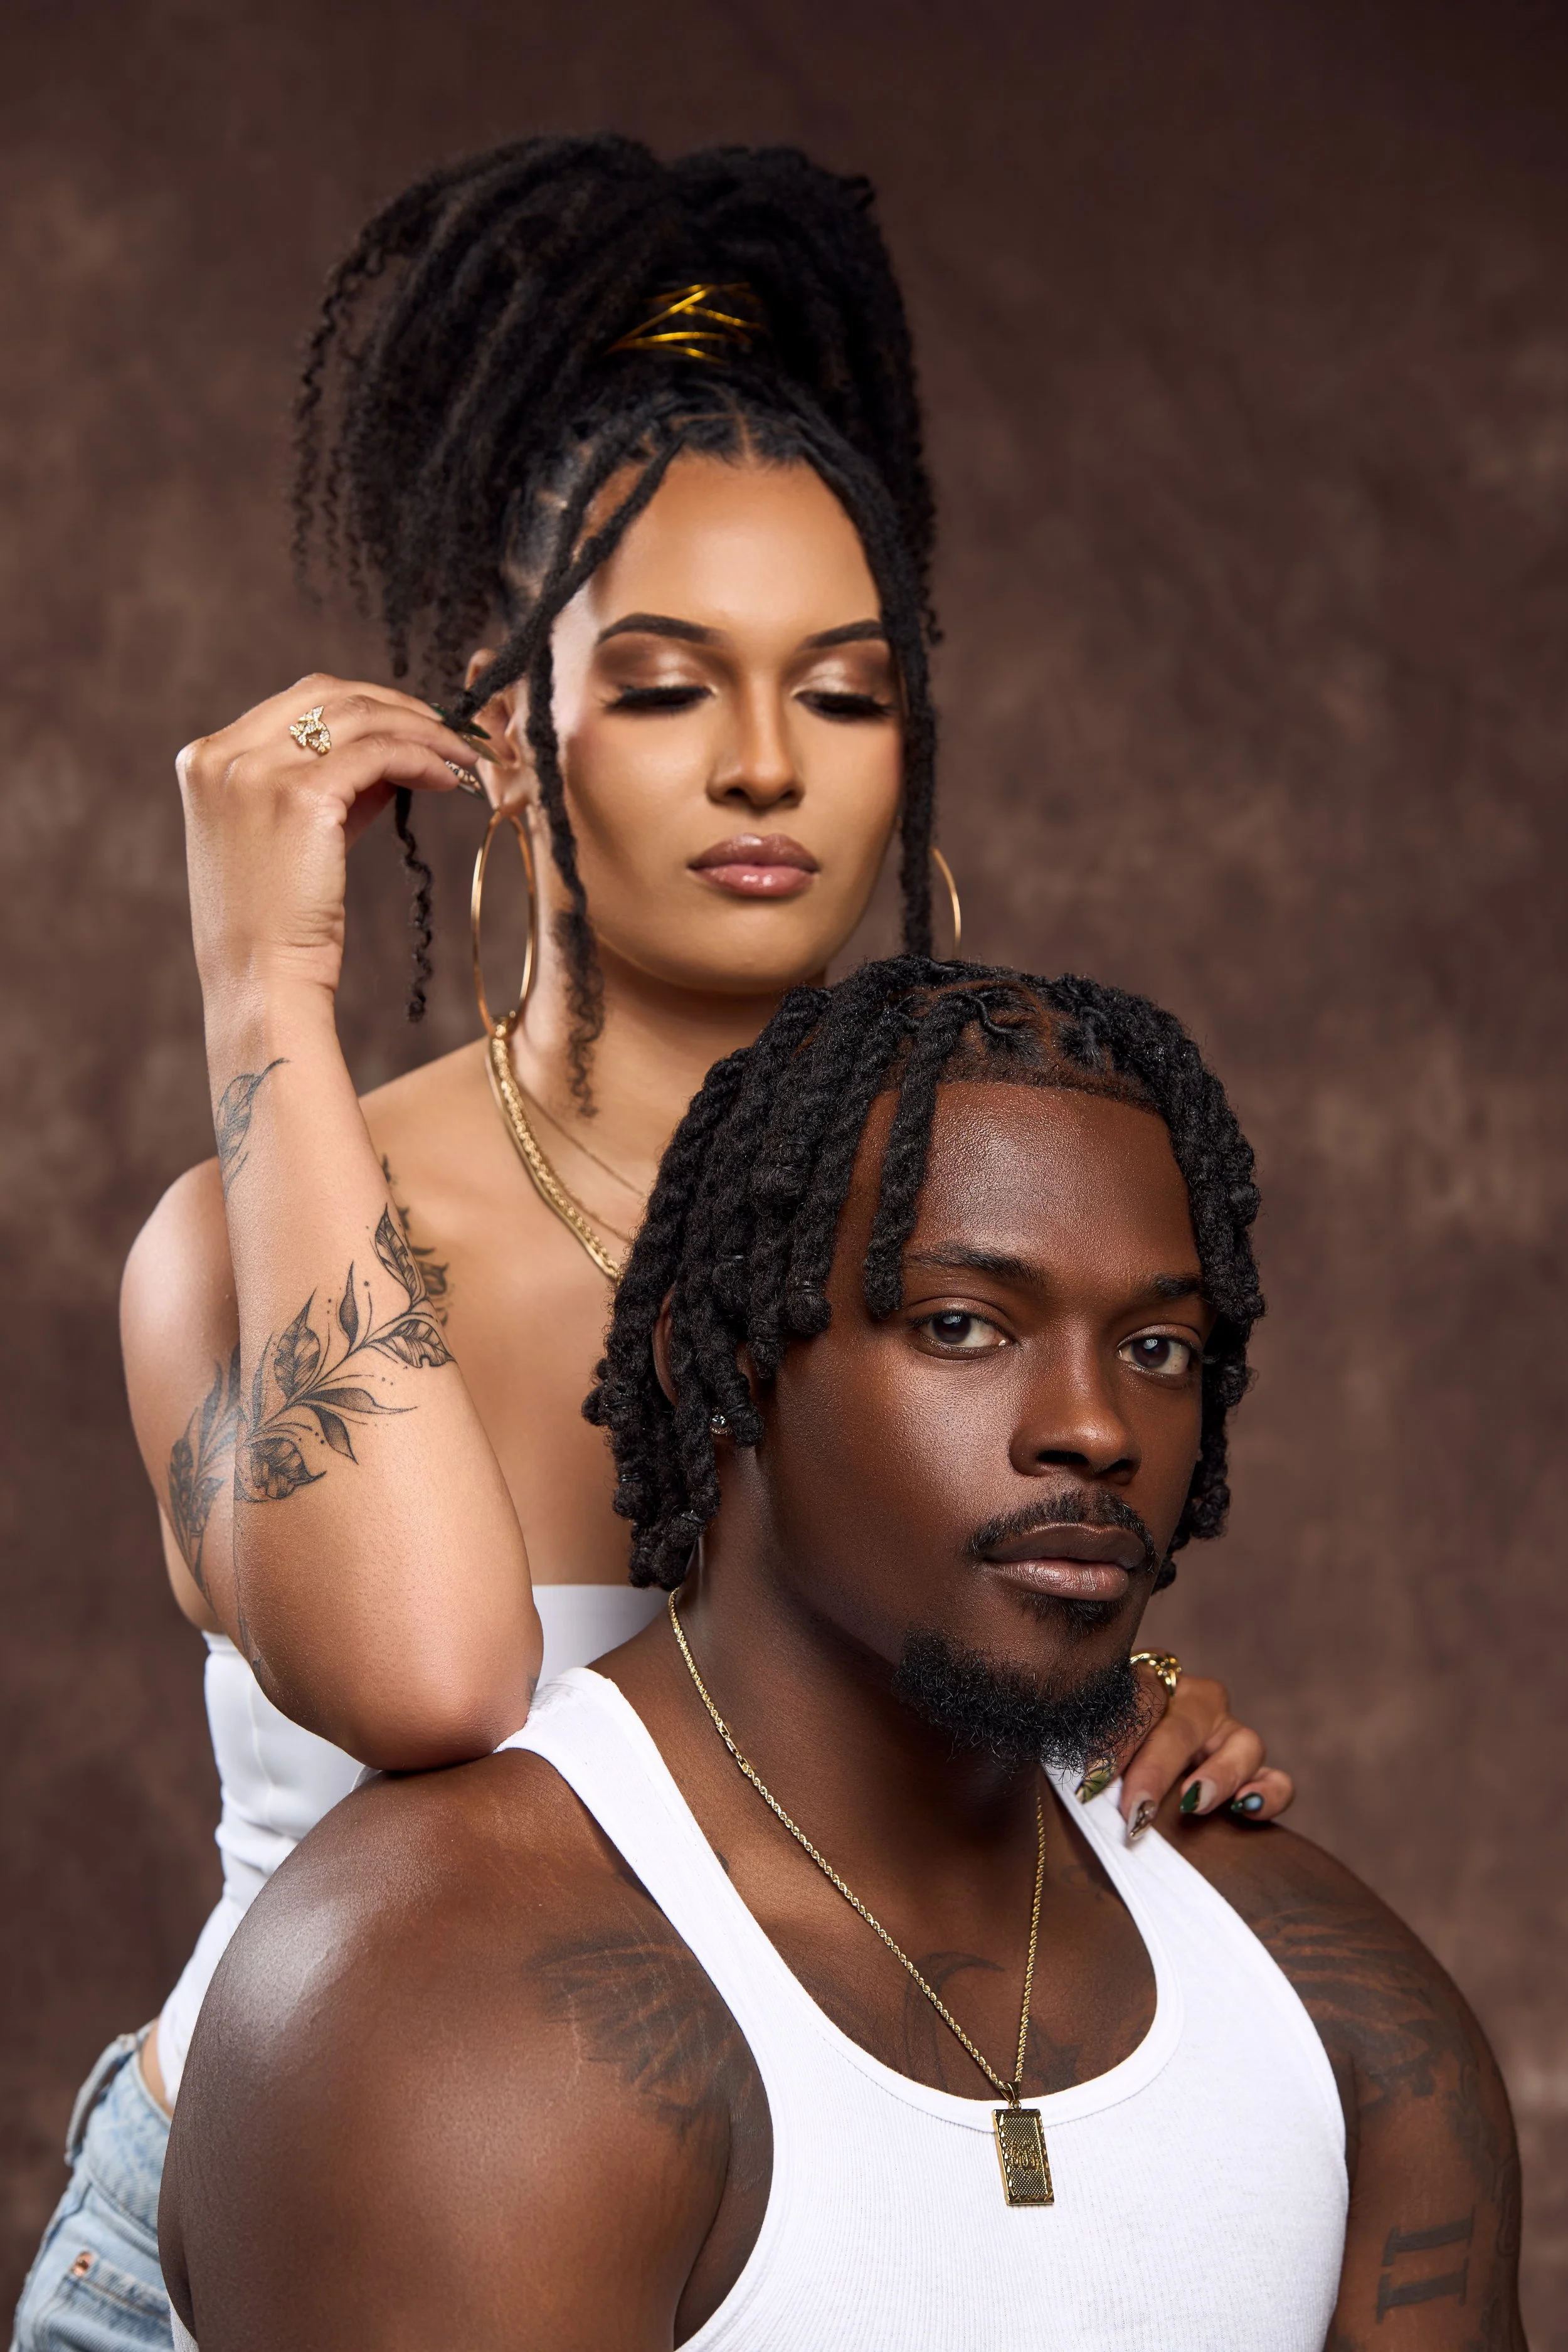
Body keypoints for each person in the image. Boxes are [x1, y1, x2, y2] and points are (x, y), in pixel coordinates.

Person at [14, 144, 1291, 2351]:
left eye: (850, 689)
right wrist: (263, 995)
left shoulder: (981, 1246)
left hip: (774, 2240)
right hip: (289, 2248)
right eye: (679, 683)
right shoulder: (268, 1220)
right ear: (508, 728)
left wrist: (1112, 1727)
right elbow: (428, 1682)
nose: (773, 767)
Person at [159, 958, 1523, 2351]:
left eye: (1158, 1347)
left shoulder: (1331, 1997)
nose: (1095, 1426)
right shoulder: (439, 1992)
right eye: (961, 1326)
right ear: (722, 1370)